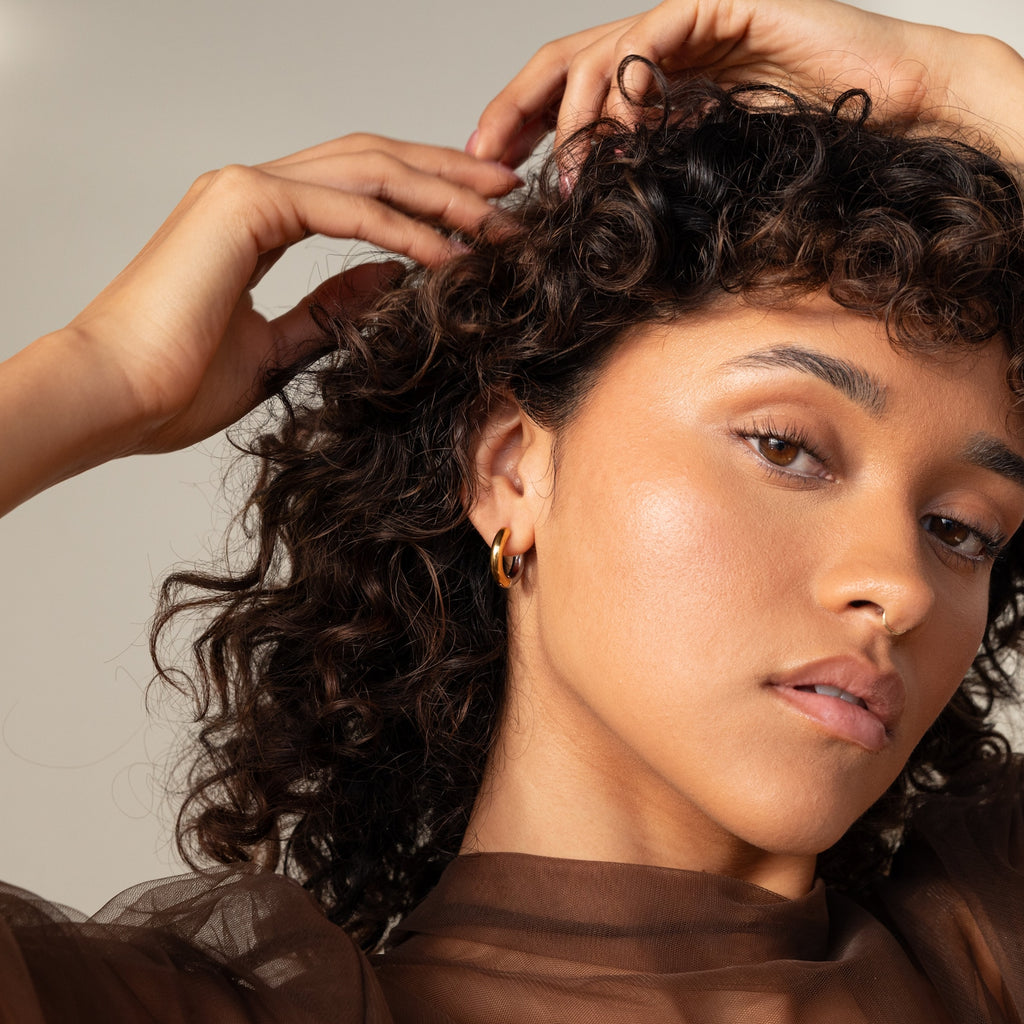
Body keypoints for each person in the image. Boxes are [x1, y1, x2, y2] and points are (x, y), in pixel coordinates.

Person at [4, 1, 1024, 1020]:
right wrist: (95, 376)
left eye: (961, 530)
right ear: (511, 473)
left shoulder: (988, 946)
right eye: (784, 447)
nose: (899, 587)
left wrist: (961, 87)